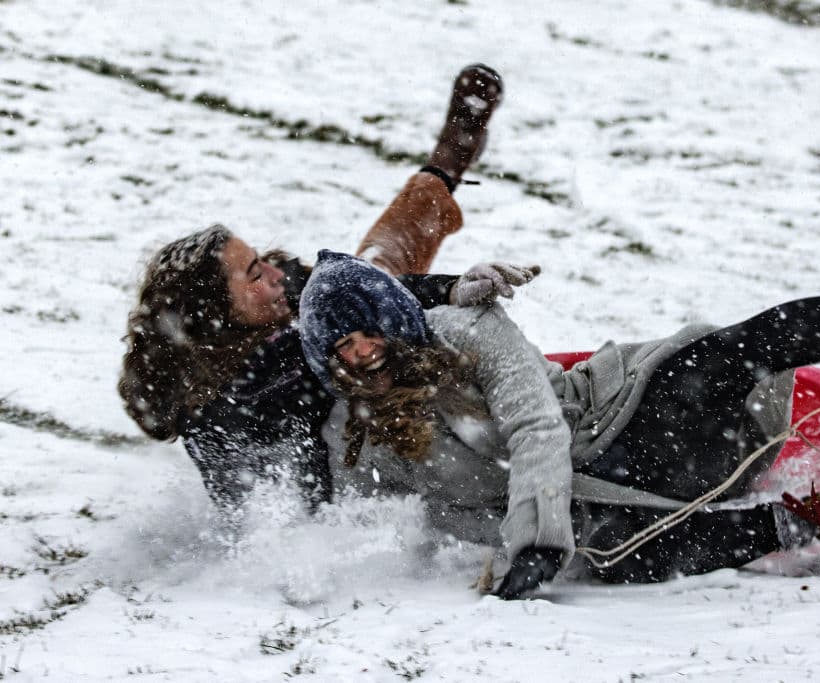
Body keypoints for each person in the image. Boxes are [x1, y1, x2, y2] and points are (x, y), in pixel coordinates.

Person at [297, 232, 820, 599]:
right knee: (620, 557)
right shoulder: (359, 440)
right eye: (343, 349)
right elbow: (424, 511)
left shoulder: (469, 329)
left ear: (391, 318)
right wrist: (524, 543)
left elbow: (537, 425)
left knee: (722, 357)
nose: (361, 356)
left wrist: (534, 542)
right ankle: (815, 517)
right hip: (582, 506)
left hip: (615, 417)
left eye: (366, 334)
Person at [117, 64, 535, 520]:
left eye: (261, 261)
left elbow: (373, 291)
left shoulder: (290, 290)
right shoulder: (223, 408)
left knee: (378, 263)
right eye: (254, 275)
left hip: (358, 357)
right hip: (366, 440)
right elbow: (267, 512)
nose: (274, 276)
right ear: (218, 312)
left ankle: (445, 165)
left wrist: (451, 288)